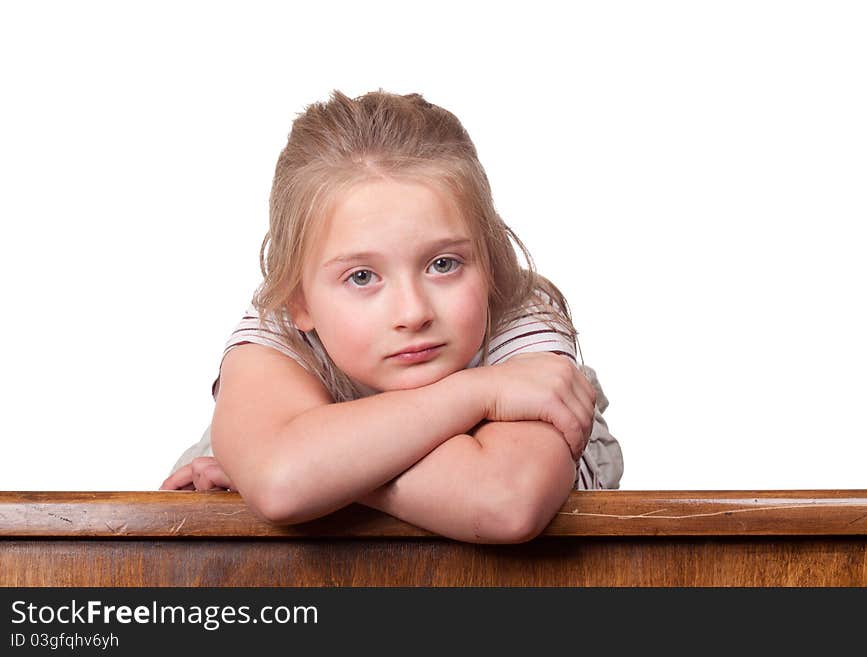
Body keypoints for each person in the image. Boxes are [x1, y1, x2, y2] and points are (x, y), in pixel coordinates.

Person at [161, 89, 623, 543]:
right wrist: (480, 392)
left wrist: (315, 474)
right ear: (298, 301)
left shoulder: (517, 315)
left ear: (488, 261)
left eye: (444, 265)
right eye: (362, 277)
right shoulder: (276, 332)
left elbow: (503, 504)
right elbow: (284, 481)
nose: (413, 312)